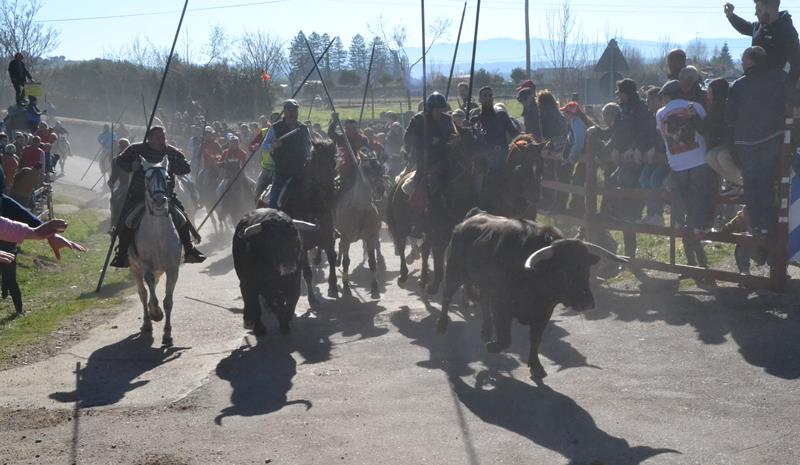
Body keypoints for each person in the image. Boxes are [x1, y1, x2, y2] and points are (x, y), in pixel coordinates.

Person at [110, 126, 206, 268]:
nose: (162, 140)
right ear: (149, 138)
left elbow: (186, 168)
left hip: (166, 195)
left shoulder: (171, 152)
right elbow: (119, 161)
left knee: (182, 219)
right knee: (126, 221)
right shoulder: (136, 149)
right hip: (139, 195)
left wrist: (170, 167)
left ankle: (190, 251)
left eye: (164, 137)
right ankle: (123, 254)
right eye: (158, 138)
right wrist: (132, 165)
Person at [725, 46, 787, 237]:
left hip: (745, 140)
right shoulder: (778, 78)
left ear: (751, 61)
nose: (742, 63)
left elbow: (730, 116)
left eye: (743, 60)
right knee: (766, 182)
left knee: (751, 185)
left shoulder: (738, 85)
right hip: (771, 137)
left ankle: (757, 226)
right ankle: (767, 225)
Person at [656, 80, 710, 237]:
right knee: (699, 193)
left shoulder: (660, 113)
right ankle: (698, 227)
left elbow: (662, 134)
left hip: (677, 161)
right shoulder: (695, 106)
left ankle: (679, 224)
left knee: (679, 194)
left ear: (666, 96)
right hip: (699, 157)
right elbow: (704, 126)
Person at [724, 0, 800, 85]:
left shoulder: (787, 31)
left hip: (772, 87)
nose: (756, 13)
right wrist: (731, 15)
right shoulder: (759, 27)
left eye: (759, 10)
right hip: (753, 83)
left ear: (770, 9)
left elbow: (797, 64)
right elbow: (744, 26)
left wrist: (787, 88)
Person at [402, 92, 457, 209]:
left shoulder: (447, 119)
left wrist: (455, 139)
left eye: (441, 109)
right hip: (426, 158)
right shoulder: (419, 119)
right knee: (422, 182)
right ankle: (415, 206)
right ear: (430, 109)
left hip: (445, 157)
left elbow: (454, 134)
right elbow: (408, 138)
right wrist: (427, 141)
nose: (439, 112)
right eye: (436, 109)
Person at [260, 99, 311, 209]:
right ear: (285, 112)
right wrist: (273, 145)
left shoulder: (303, 129)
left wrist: (309, 156)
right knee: (273, 202)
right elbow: (264, 147)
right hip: (282, 172)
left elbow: (309, 146)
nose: (293, 113)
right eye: (290, 110)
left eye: (295, 111)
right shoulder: (275, 128)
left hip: (301, 172)